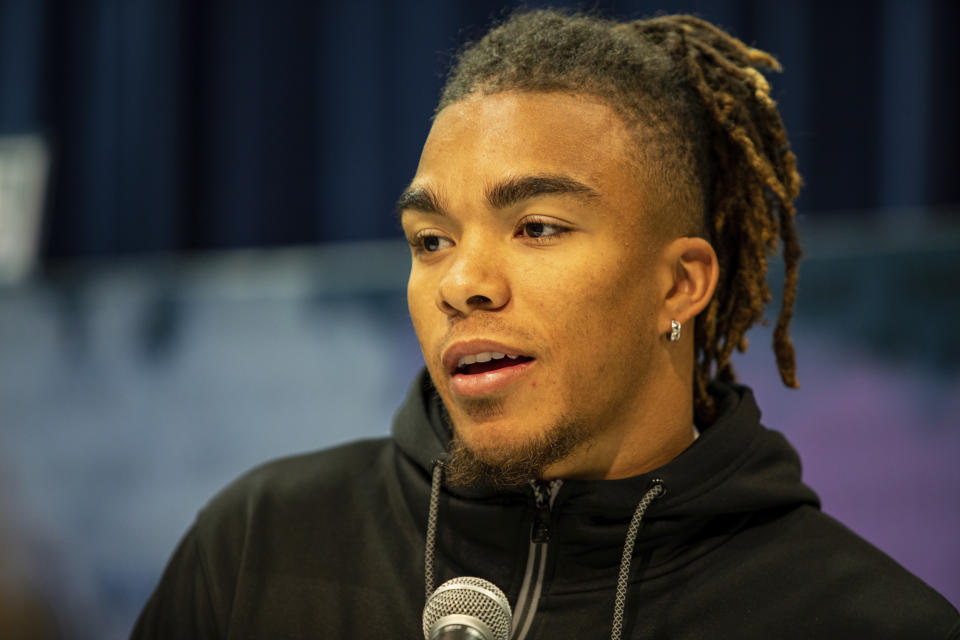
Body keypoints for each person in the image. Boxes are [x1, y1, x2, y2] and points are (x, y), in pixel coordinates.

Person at [132, 9, 960, 639]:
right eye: (431, 241)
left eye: (537, 227)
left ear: (679, 286)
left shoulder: (861, 618)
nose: (463, 282)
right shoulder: (258, 548)